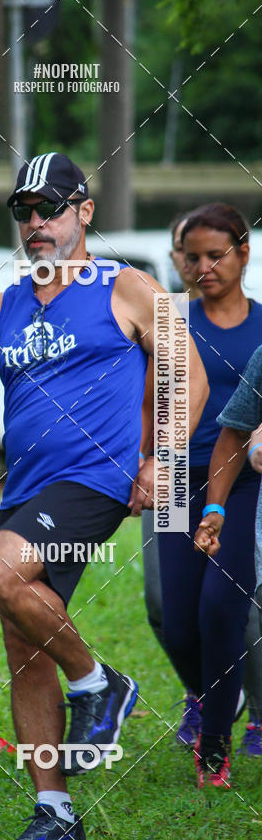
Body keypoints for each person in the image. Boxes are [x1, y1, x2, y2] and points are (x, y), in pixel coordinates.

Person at [0, 153, 208, 840]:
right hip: (27, 488)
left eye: (51, 208)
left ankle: (102, 683)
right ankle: (56, 816)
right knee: (23, 644)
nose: (36, 222)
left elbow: (186, 374)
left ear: (84, 212)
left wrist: (161, 458)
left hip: (96, 478)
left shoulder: (129, 287)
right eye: (25, 211)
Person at [155, 203, 262, 789]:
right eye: (192, 257)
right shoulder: (171, 321)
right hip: (175, 478)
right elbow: (146, 398)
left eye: (216, 255)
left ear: (243, 252)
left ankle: (215, 744)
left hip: (244, 481)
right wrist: (143, 463)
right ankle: (217, 694)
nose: (203, 267)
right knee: (177, 623)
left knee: (221, 607)